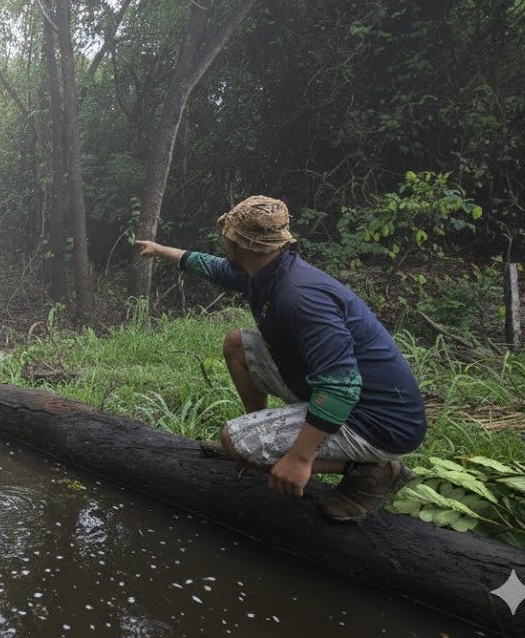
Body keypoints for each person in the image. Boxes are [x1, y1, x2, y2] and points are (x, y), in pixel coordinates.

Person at [135, 195, 425, 522]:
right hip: (339, 394)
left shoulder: (299, 298)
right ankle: (256, 440)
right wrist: (162, 250)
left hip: (379, 422)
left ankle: (373, 471)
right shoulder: (264, 268)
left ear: (242, 245)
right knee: (237, 344)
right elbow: (215, 267)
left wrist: (301, 458)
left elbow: (342, 387)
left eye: (228, 235)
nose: (223, 240)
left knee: (233, 439)